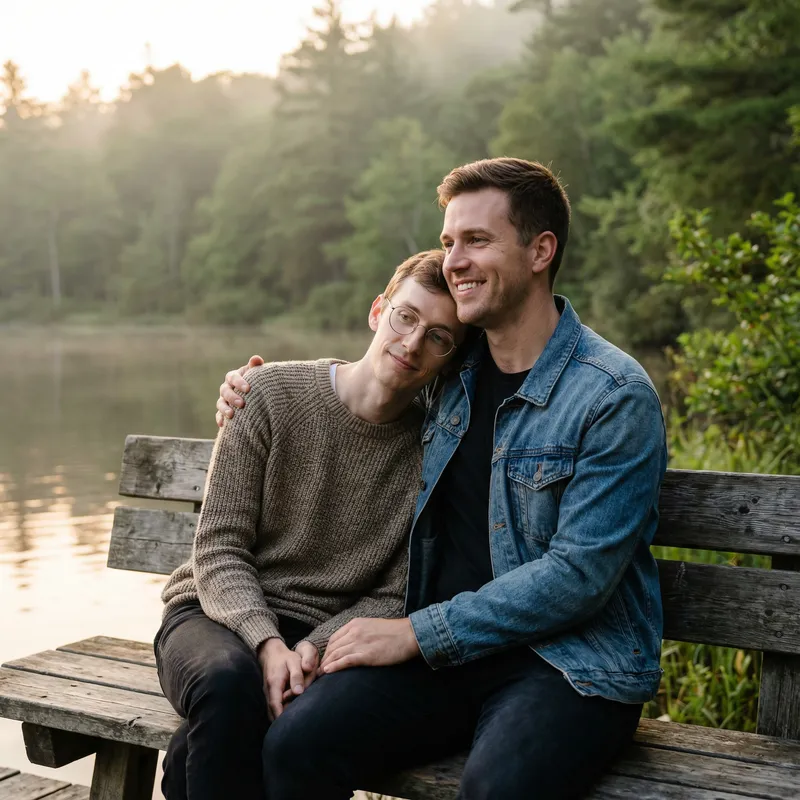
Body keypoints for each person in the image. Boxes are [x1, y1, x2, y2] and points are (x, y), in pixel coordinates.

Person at [219, 157, 668, 799]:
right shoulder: (447, 372)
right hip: (444, 658)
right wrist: (250, 391)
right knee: (297, 742)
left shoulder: (611, 396)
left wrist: (414, 633)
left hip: (567, 665)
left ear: (541, 251)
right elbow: (363, 388)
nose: (454, 260)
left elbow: (579, 578)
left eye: (477, 241)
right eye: (448, 241)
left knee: (495, 791)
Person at [155, 249, 467, 800]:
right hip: (212, 614)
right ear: (378, 312)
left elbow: (396, 592)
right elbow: (220, 549)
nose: (413, 343)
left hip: (325, 638)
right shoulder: (267, 393)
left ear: (450, 356)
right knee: (231, 688)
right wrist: (266, 642)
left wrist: (309, 651)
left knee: (217, 744)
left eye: (439, 337)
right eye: (406, 317)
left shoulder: (434, 452)